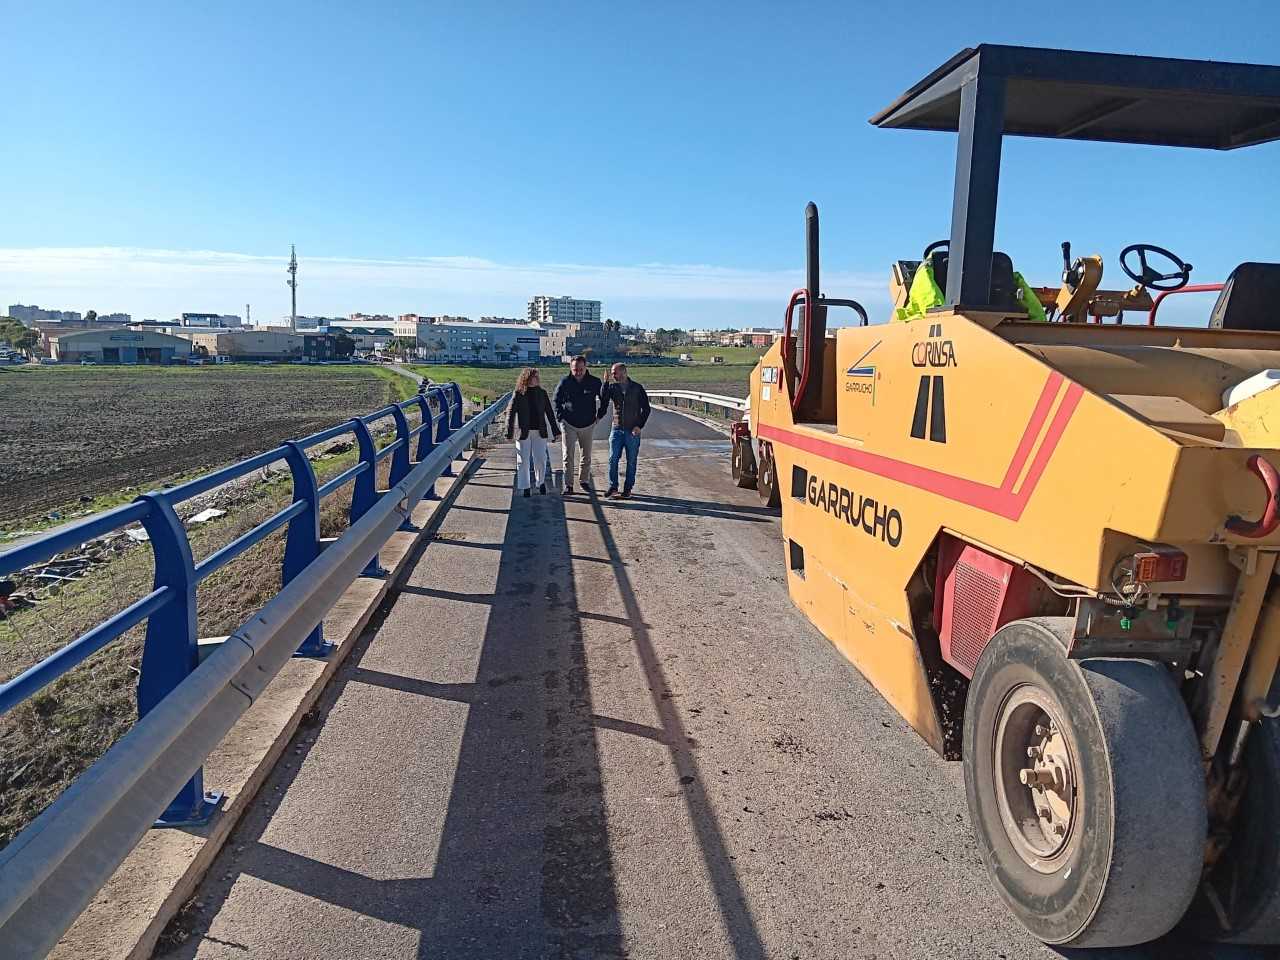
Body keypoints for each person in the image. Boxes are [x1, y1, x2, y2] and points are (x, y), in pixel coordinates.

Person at [553, 355, 604, 496]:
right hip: (569, 424)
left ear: (585, 367)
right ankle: (568, 485)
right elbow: (556, 400)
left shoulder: (594, 382)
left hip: (588, 424)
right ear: (571, 368)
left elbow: (604, 398)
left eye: (581, 369)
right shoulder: (565, 382)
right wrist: (560, 418)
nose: (578, 372)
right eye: (575, 369)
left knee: (586, 455)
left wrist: (600, 415)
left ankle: (584, 481)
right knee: (567, 456)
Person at [505, 367, 560, 497]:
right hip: (523, 432)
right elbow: (510, 413)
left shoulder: (542, 393)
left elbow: (550, 413)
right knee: (523, 460)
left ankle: (540, 483)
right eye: (533, 377)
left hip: (539, 431)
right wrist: (509, 432)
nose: (536, 379)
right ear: (526, 378)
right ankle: (525, 487)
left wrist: (555, 430)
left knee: (540, 458)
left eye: (537, 377)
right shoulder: (518, 393)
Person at [599, 362, 650, 499]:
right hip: (616, 429)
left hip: (632, 431)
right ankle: (613, 487)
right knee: (612, 459)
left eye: (614, 373)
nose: (613, 375)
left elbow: (646, 408)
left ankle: (628, 489)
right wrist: (605, 382)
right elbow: (603, 399)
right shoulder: (612, 387)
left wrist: (639, 426)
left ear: (623, 372)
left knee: (631, 460)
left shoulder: (637, 388)